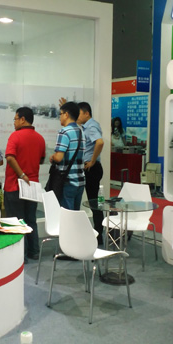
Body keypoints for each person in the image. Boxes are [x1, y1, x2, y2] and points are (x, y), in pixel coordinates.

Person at [4, 107, 46, 261]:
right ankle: (34, 251)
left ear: (22, 119)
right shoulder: (40, 138)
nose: (14, 122)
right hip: (32, 186)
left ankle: (20, 255)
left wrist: (21, 174)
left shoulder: (15, 136)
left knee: (17, 221)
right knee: (31, 220)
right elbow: (41, 159)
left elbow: (10, 157)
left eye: (15, 119)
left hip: (14, 185)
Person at [77, 102, 105, 242]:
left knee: (94, 203)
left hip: (92, 169)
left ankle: (98, 234)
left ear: (86, 113)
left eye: (79, 113)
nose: (77, 116)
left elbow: (100, 142)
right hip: (89, 168)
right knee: (93, 202)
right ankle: (98, 232)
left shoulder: (91, 126)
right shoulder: (87, 126)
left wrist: (92, 160)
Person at [50, 101, 85, 210]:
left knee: (66, 215)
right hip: (80, 180)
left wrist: (52, 157)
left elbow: (59, 157)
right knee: (75, 215)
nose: (59, 117)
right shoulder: (81, 131)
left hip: (67, 181)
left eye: (60, 114)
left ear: (66, 114)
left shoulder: (64, 132)